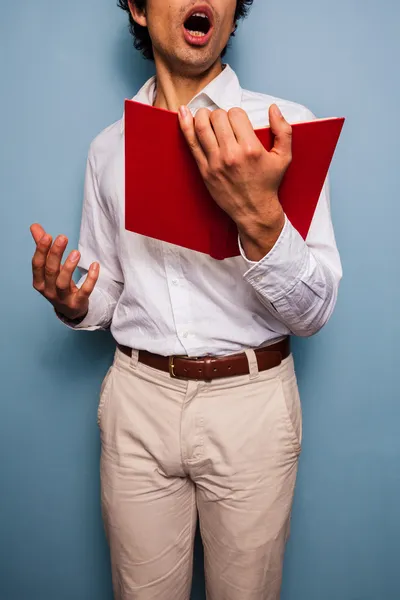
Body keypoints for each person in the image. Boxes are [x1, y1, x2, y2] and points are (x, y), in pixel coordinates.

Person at [30, 1, 342, 598]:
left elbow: (314, 312)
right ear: (138, 9)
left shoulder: (282, 130)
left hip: (251, 407)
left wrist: (258, 215)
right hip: (137, 403)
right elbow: (110, 291)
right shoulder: (108, 149)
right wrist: (73, 302)